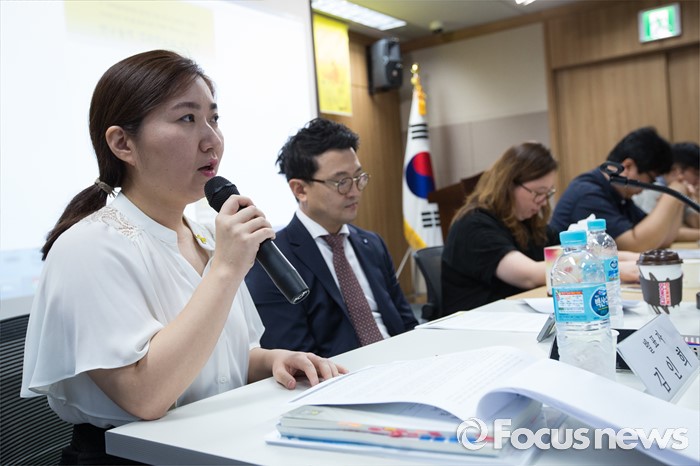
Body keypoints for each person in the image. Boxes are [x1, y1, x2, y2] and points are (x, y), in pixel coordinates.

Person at [20, 50, 345, 465]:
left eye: (214, 118)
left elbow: (221, 362)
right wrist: (226, 268)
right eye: (187, 118)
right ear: (122, 143)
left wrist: (273, 361)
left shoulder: (205, 235)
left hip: (217, 441)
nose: (212, 140)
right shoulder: (87, 247)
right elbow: (146, 396)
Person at [245, 118, 418, 358]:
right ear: (300, 190)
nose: (355, 191)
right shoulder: (273, 261)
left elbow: (406, 323)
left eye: (359, 178)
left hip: (403, 361)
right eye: (342, 182)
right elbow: (296, 356)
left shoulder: (371, 244)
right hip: (340, 375)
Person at [441, 142, 559, 314]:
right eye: (538, 192)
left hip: (513, 318)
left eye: (548, 193)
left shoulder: (527, 222)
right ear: (509, 184)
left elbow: (562, 250)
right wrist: (582, 264)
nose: (543, 201)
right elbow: (529, 276)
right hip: (474, 324)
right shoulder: (474, 225)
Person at [550, 127, 694, 251]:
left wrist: (678, 200)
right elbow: (637, 245)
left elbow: (663, 239)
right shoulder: (588, 193)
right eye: (651, 179)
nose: (650, 185)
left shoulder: (620, 196)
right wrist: (672, 195)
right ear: (628, 166)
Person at [633, 141, 699, 236]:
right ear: (676, 170)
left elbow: (695, 223)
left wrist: (696, 198)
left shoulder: (683, 191)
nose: (698, 180)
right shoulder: (655, 188)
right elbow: (657, 232)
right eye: (696, 174)